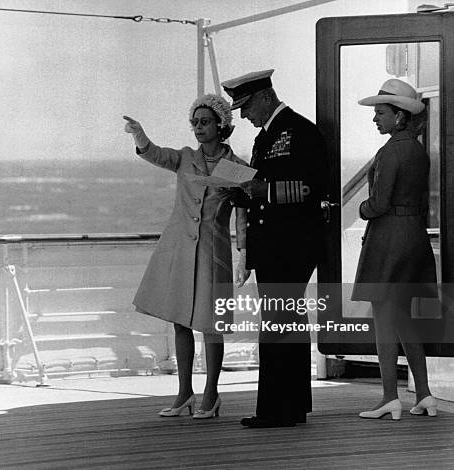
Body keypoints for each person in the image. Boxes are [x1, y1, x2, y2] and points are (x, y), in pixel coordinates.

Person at [123, 94, 250, 419]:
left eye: (205, 122)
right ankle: (184, 394)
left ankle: (211, 394)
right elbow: (155, 154)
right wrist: (140, 136)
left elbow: (242, 213)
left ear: (221, 125)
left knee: (211, 325)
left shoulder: (236, 168)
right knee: (180, 322)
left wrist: (243, 253)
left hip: (212, 252)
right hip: (179, 250)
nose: (198, 128)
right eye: (194, 122)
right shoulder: (184, 158)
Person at [222, 69, 328, 428]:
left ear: (266, 97)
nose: (244, 116)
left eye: (247, 107)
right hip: (274, 244)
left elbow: (314, 188)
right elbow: (259, 184)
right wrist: (238, 189)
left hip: (292, 244)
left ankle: (276, 409)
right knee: (284, 322)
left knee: (279, 323)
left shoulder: (300, 131)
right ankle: (291, 406)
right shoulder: (265, 138)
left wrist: (262, 190)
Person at [351, 79, 438, 420]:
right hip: (413, 235)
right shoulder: (416, 149)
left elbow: (379, 203)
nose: (376, 119)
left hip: (389, 238)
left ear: (400, 116)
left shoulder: (390, 151)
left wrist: (361, 209)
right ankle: (425, 394)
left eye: (381, 113)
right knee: (405, 320)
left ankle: (389, 396)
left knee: (385, 320)